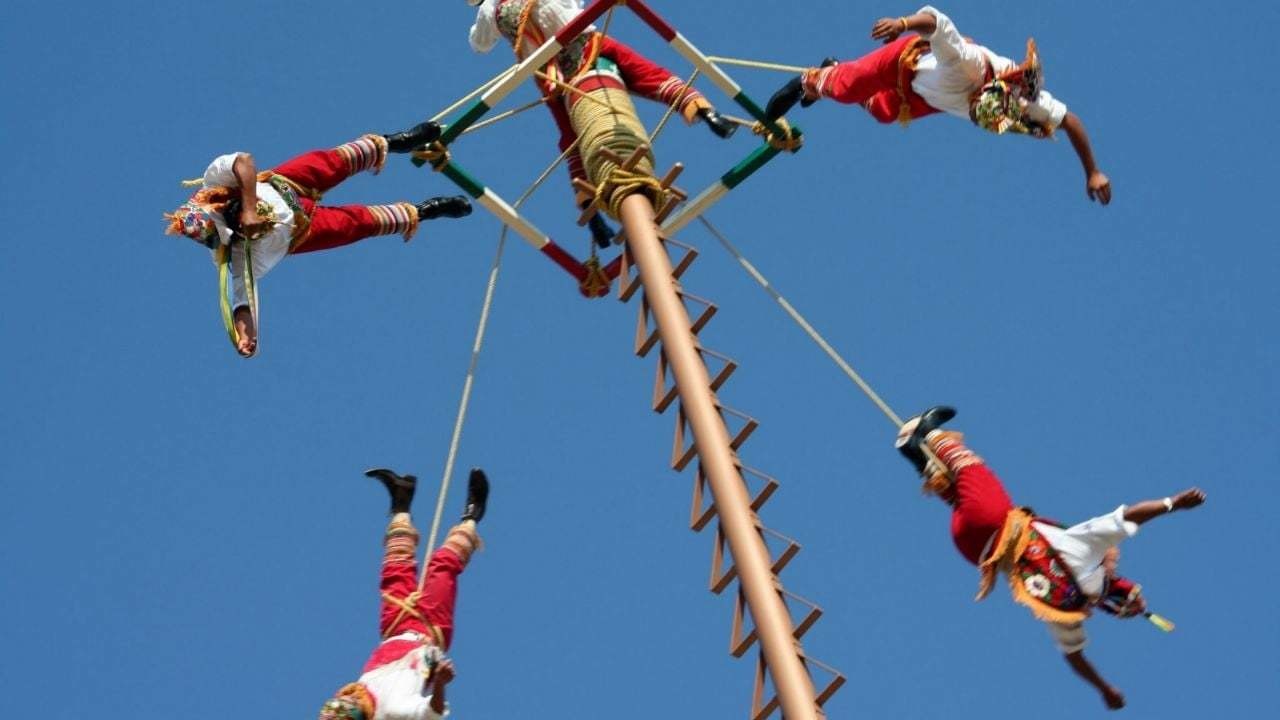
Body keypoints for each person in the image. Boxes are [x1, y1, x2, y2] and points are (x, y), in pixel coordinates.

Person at [895, 406, 1206, 710]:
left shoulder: (1089, 548)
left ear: (1112, 577)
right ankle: (915, 453)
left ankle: (928, 431)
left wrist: (1173, 503)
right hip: (973, 548)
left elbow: (1130, 516)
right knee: (957, 490)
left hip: (993, 521)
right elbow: (1075, 657)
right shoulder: (1069, 609)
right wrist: (1103, 688)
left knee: (970, 468)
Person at [165, 122, 473, 357]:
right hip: (304, 231)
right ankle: (425, 211)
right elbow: (242, 299)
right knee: (359, 223)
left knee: (333, 160)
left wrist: (246, 208)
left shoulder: (214, 182)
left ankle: (398, 142)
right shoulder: (234, 255)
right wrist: (245, 334)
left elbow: (243, 161)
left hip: (287, 185)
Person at [765, 6, 1112, 205]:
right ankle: (809, 82)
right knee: (846, 89)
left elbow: (1070, 121)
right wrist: (902, 24)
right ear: (985, 92)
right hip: (905, 62)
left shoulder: (1027, 104)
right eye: (977, 108)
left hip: (922, 97)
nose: (973, 114)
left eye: (978, 116)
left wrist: (1092, 171)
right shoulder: (968, 63)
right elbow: (937, 21)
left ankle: (833, 68)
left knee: (885, 113)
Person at [467, 0, 737, 247]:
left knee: (577, 133)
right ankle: (591, 211)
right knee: (635, 82)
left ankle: (705, 113)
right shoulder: (489, 9)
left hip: (569, 56)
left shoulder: (491, 10)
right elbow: (479, 43)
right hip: (560, 65)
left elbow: (480, 43)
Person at [319, 467, 490, 720]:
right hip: (429, 630)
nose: (348, 695)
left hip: (394, 629)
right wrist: (441, 682)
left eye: (343, 696)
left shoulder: (362, 691)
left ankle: (401, 500)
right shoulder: (391, 711)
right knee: (442, 567)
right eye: (348, 700)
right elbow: (432, 713)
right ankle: (472, 515)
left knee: (395, 566)